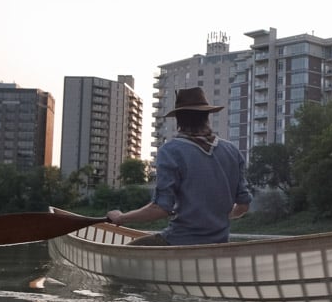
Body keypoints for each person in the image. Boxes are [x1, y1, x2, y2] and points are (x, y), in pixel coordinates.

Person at [106, 87, 252, 245]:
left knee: (127, 251)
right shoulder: (232, 151)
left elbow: (160, 209)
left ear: (179, 120)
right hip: (219, 244)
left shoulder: (171, 151)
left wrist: (121, 217)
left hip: (179, 241)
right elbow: (243, 205)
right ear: (207, 116)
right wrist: (216, 217)